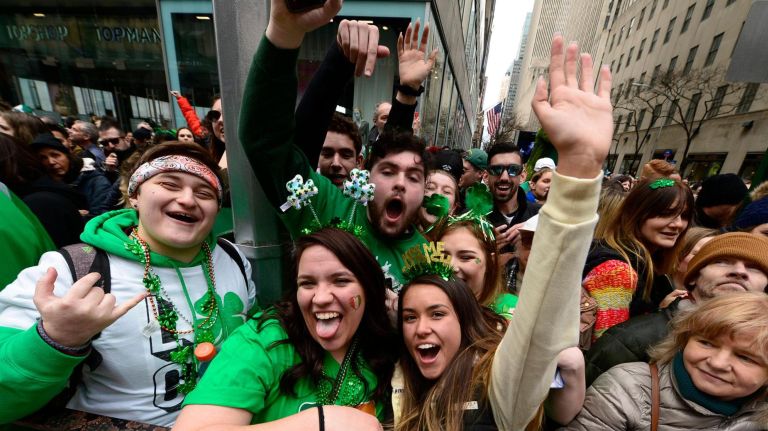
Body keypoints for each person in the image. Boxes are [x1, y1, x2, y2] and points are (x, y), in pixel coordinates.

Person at [395, 28, 613, 430]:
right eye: (409, 317)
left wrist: (579, 171)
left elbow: (540, 324)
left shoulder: (497, 378)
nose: (421, 326)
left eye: (438, 313)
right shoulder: (388, 371)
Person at [0, 141, 255, 426]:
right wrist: (56, 338)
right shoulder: (71, 270)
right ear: (135, 195)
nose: (187, 199)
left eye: (204, 192)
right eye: (170, 185)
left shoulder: (234, 258)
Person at [239, 3, 436, 290]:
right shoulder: (325, 207)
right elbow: (266, 140)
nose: (400, 184)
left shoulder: (425, 257)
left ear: (424, 189)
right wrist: (283, 35)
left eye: (414, 177)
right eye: (388, 172)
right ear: (366, 174)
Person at [174, 228, 397, 430]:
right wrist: (317, 422)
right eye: (307, 283)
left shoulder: (381, 341)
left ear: (368, 289)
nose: (320, 298)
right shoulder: (264, 341)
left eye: (340, 281)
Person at [583, 231, 768, 387]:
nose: (739, 271)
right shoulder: (633, 339)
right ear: (694, 276)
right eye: (722, 261)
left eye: (754, 268)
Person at [567, 292, 768, 430]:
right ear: (684, 339)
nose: (717, 363)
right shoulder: (627, 389)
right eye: (707, 343)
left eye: (744, 357)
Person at [583, 177, 693, 340]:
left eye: (684, 216)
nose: (677, 224)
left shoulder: (648, 262)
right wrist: (660, 316)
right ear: (636, 214)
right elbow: (606, 347)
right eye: (665, 214)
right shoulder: (616, 271)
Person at [0, 132, 85, 247]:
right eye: (43, 158)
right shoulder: (34, 196)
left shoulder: (40, 203)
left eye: (55, 155)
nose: (51, 162)